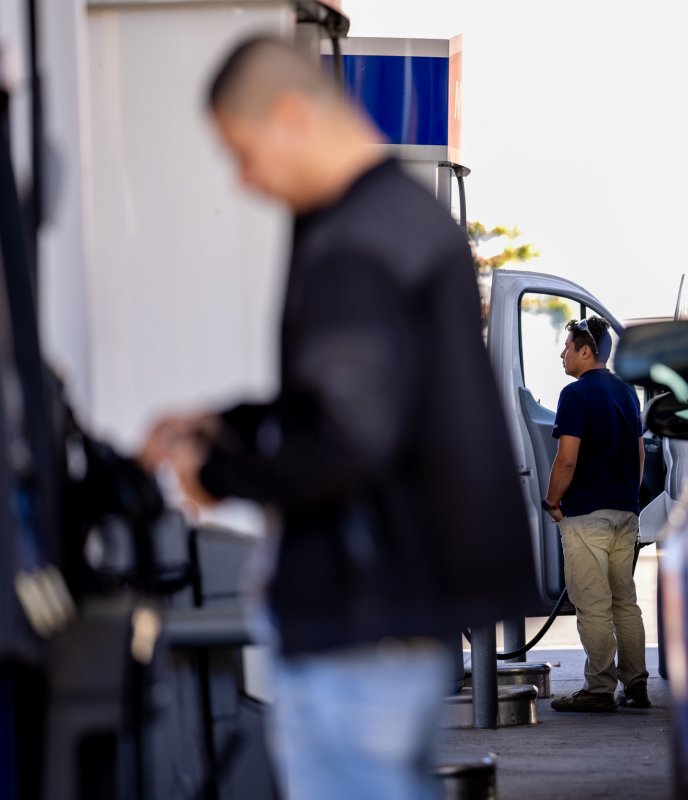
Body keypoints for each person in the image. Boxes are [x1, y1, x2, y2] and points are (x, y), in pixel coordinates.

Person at [140, 36, 536, 800]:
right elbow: (365, 400)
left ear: (289, 117)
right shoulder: (403, 217)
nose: (244, 179)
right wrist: (226, 421)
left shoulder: (352, 242)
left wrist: (216, 473)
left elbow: (348, 438)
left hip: (359, 617)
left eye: (242, 151)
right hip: (403, 606)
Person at [543, 316, 650, 712]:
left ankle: (599, 690)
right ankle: (636, 686)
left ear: (586, 352)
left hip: (587, 515)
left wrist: (553, 502)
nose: (562, 353)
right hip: (625, 512)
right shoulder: (626, 392)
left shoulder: (574, 395)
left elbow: (566, 460)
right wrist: (629, 497)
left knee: (593, 604)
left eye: (567, 347)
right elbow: (638, 454)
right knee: (625, 601)